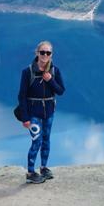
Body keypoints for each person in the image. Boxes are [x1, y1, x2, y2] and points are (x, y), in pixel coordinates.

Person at [17, 40, 65, 184]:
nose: (45, 55)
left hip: (49, 113)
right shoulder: (28, 72)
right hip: (33, 114)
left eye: (48, 53)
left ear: (51, 55)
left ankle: (43, 168)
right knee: (36, 141)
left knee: (46, 139)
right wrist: (25, 118)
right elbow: (22, 96)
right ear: (37, 53)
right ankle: (31, 172)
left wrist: (50, 80)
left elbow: (61, 91)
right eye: (42, 52)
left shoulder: (55, 71)